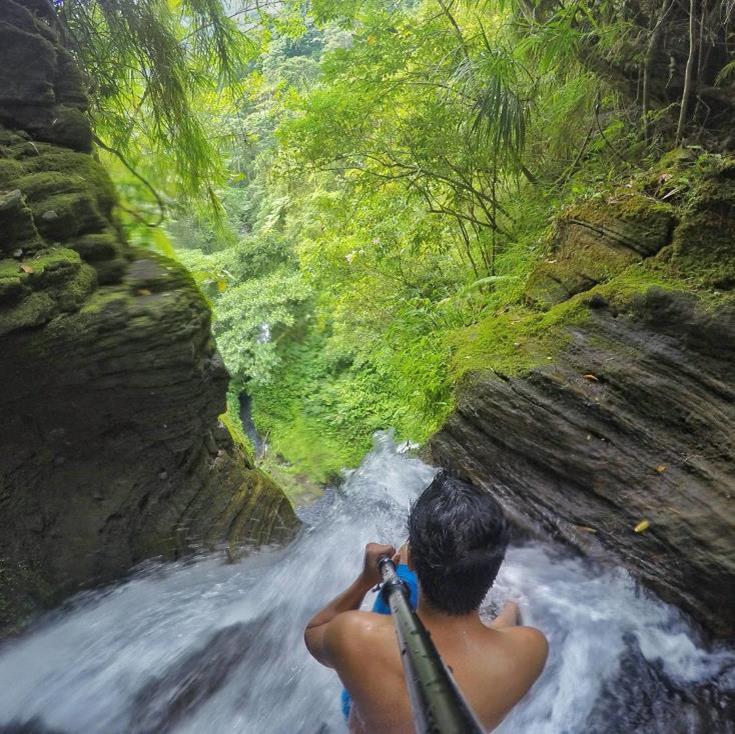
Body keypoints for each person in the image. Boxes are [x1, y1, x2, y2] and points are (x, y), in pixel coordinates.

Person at [304, 471, 548, 733]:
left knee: (401, 585)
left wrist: (365, 580)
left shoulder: (355, 634)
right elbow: (500, 639)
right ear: (496, 567)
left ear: (412, 558)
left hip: (363, 718)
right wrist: (513, 605)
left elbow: (315, 631)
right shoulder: (531, 649)